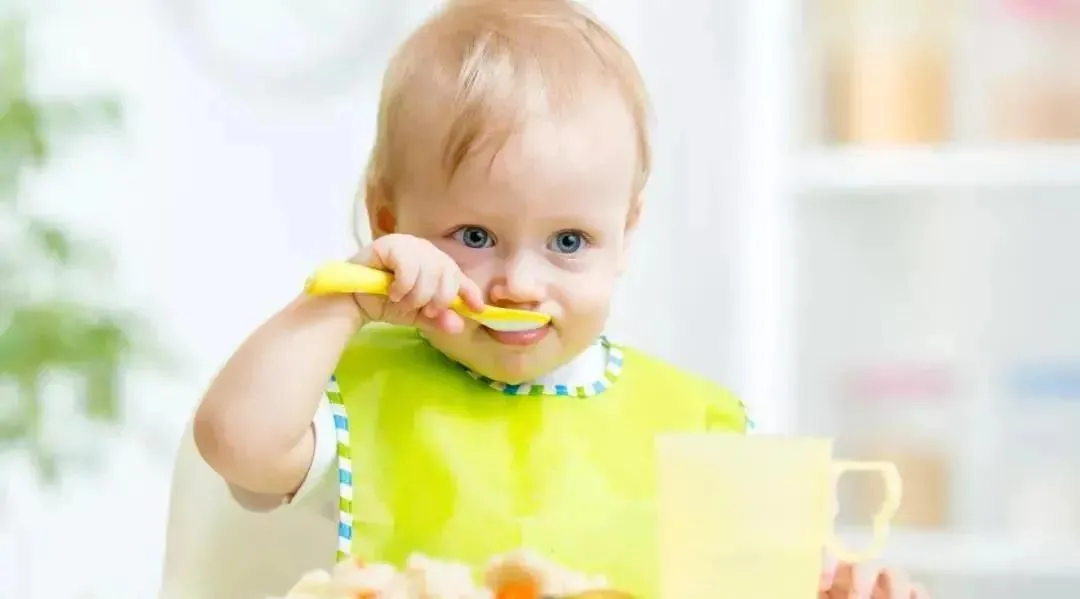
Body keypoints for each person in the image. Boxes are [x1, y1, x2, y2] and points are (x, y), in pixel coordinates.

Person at [192, 1, 928, 597]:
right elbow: (233, 441)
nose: (519, 282)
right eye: (474, 235)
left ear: (626, 233)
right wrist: (343, 300)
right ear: (390, 222)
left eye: (569, 241)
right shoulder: (352, 391)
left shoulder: (699, 428)